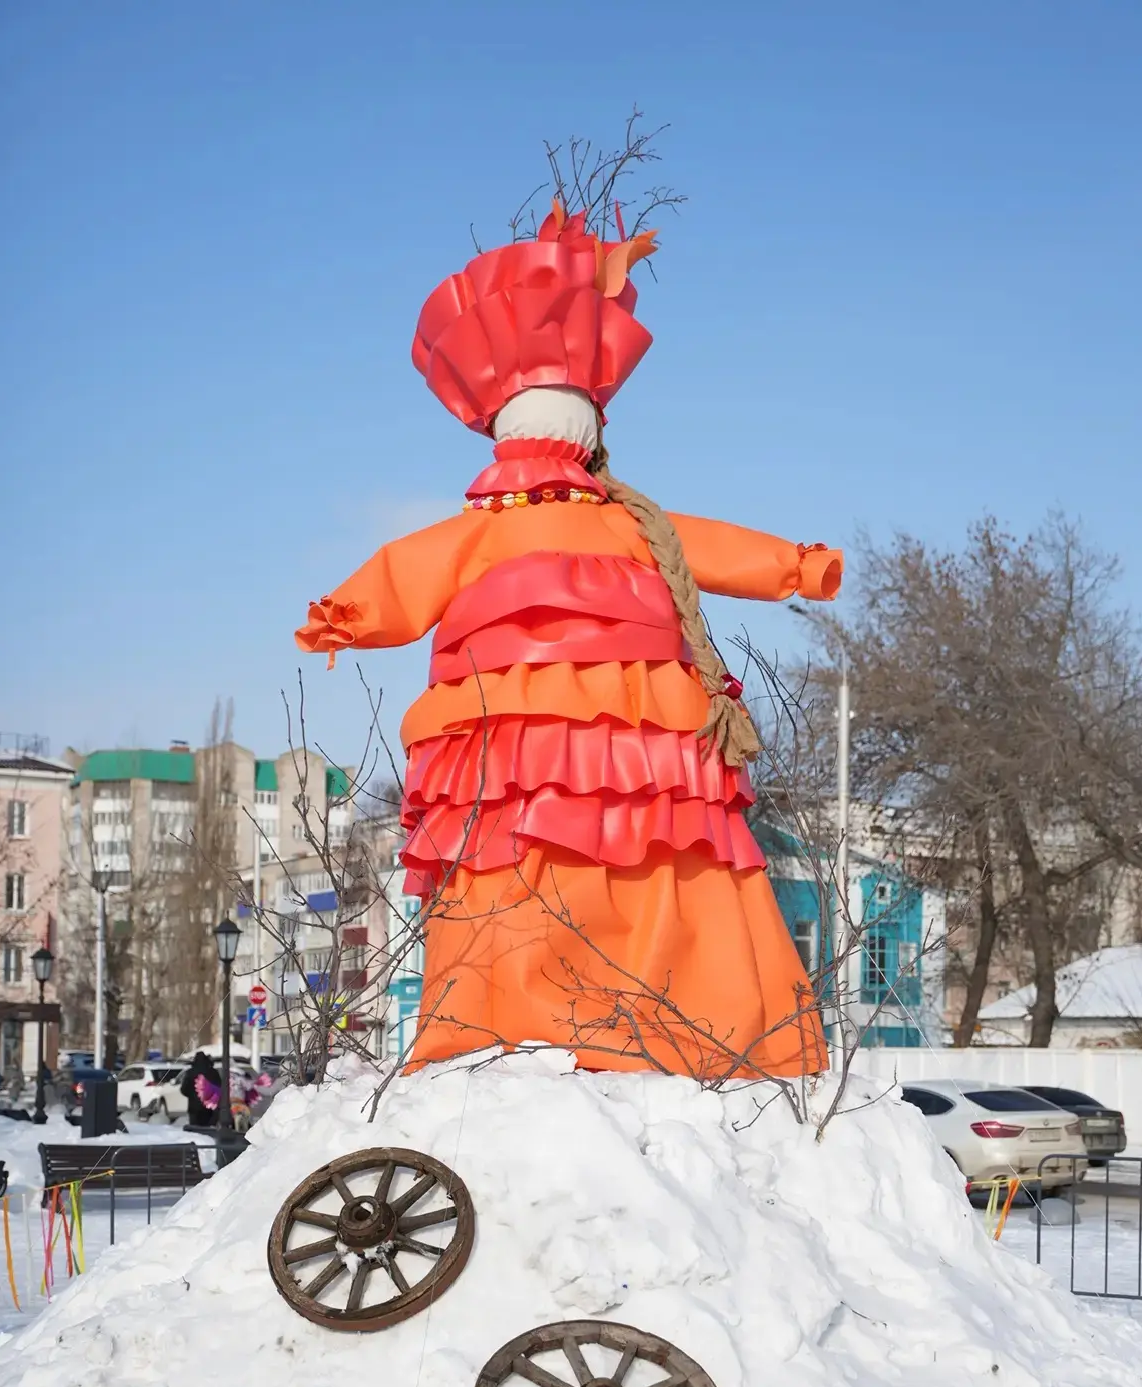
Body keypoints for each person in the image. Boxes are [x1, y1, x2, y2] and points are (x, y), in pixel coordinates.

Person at [295, 201, 842, 1080]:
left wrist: (344, 615)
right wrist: (798, 566)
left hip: (515, 757)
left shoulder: (486, 532)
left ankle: (514, 1030)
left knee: (521, 880)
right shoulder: (636, 523)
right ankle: (706, 1022)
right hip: (643, 750)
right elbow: (716, 547)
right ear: (587, 433)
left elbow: (403, 573)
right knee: (666, 867)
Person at [180, 1051, 221, 1128]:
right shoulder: (213, 1072)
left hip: (194, 1108)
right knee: (209, 1129)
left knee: (195, 1130)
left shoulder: (190, 1073)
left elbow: (183, 1090)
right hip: (210, 1107)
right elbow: (219, 1088)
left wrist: (192, 1095)